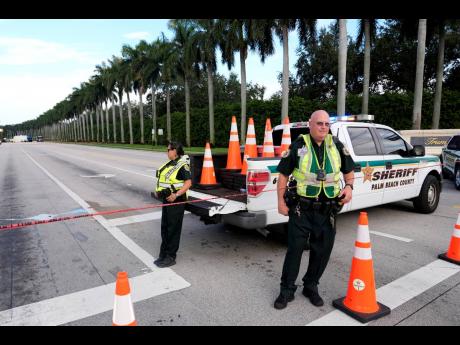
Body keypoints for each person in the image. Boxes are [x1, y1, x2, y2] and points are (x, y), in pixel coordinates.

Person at [274, 110, 355, 309]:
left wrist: (349, 187)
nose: (323, 127)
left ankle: (311, 286)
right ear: (310, 124)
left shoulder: (336, 145)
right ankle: (286, 290)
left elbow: (349, 171)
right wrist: (280, 202)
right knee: (295, 250)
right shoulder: (298, 145)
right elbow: (283, 175)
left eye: (327, 124)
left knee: (322, 251)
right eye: (319, 123)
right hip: (302, 209)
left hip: (327, 210)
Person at [154, 141, 192, 268]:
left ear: (175, 151)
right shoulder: (170, 164)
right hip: (167, 200)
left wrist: (176, 195)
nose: (167, 151)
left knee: (173, 229)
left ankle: (171, 256)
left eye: (169, 149)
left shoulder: (182, 165)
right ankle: (163, 254)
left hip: (176, 200)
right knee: (165, 227)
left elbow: (188, 183)